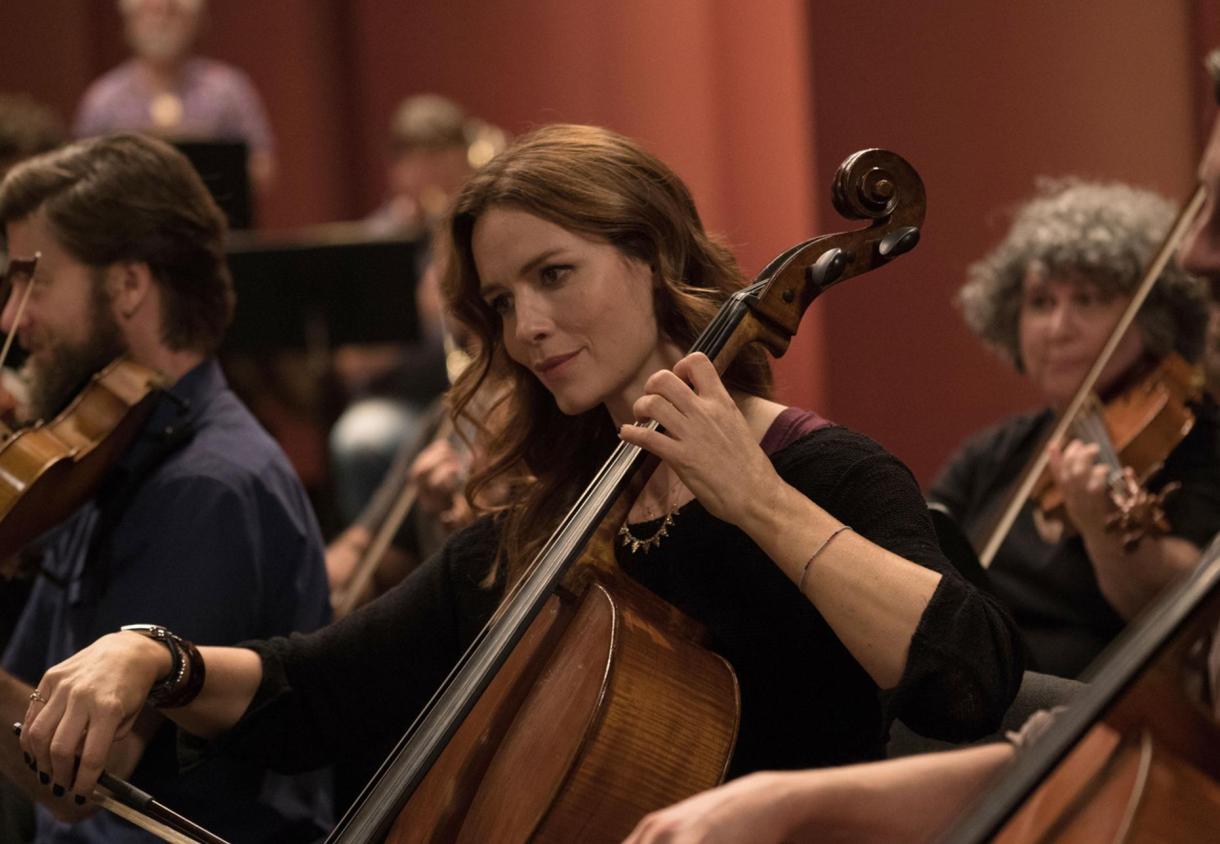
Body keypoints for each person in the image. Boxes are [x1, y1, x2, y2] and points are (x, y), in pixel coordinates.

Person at [12, 124, 1022, 835]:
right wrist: (152, 656)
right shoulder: (555, 518)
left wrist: (752, 497)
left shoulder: (819, 468)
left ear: (649, 255)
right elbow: (313, 690)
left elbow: (967, 675)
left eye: (554, 275)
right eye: (500, 300)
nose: (525, 327)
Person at [0, 134, 331, 842]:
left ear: (127, 285)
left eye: (36, 281)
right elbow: (25, 697)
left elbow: (79, 778)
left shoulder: (207, 487)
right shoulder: (103, 457)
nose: (11, 320)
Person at [928, 179, 1220, 679]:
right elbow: (922, 549)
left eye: (1087, 300)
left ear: (1150, 318)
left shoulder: (1195, 439)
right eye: (1041, 302)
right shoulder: (997, 452)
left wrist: (1103, 530)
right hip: (975, 688)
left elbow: (1179, 612)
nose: (1058, 328)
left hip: (1080, 707)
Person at [328, 94, 505, 523]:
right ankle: (381, 555)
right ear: (398, 168)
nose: (431, 176)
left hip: (476, 398)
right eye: (418, 161)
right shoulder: (376, 243)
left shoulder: (483, 230)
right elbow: (349, 366)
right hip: (404, 401)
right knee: (360, 437)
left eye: (443, 159)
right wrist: (423, 310)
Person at [74, 0, 276, 197]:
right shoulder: (103, 97)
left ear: (196, 20)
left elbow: (262, 169)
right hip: (128, 227)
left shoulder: (228, 90)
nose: (160, 21)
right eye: (150, 10)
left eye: (172, 11)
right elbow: (81, 179)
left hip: (217, 224)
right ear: (129, 20)